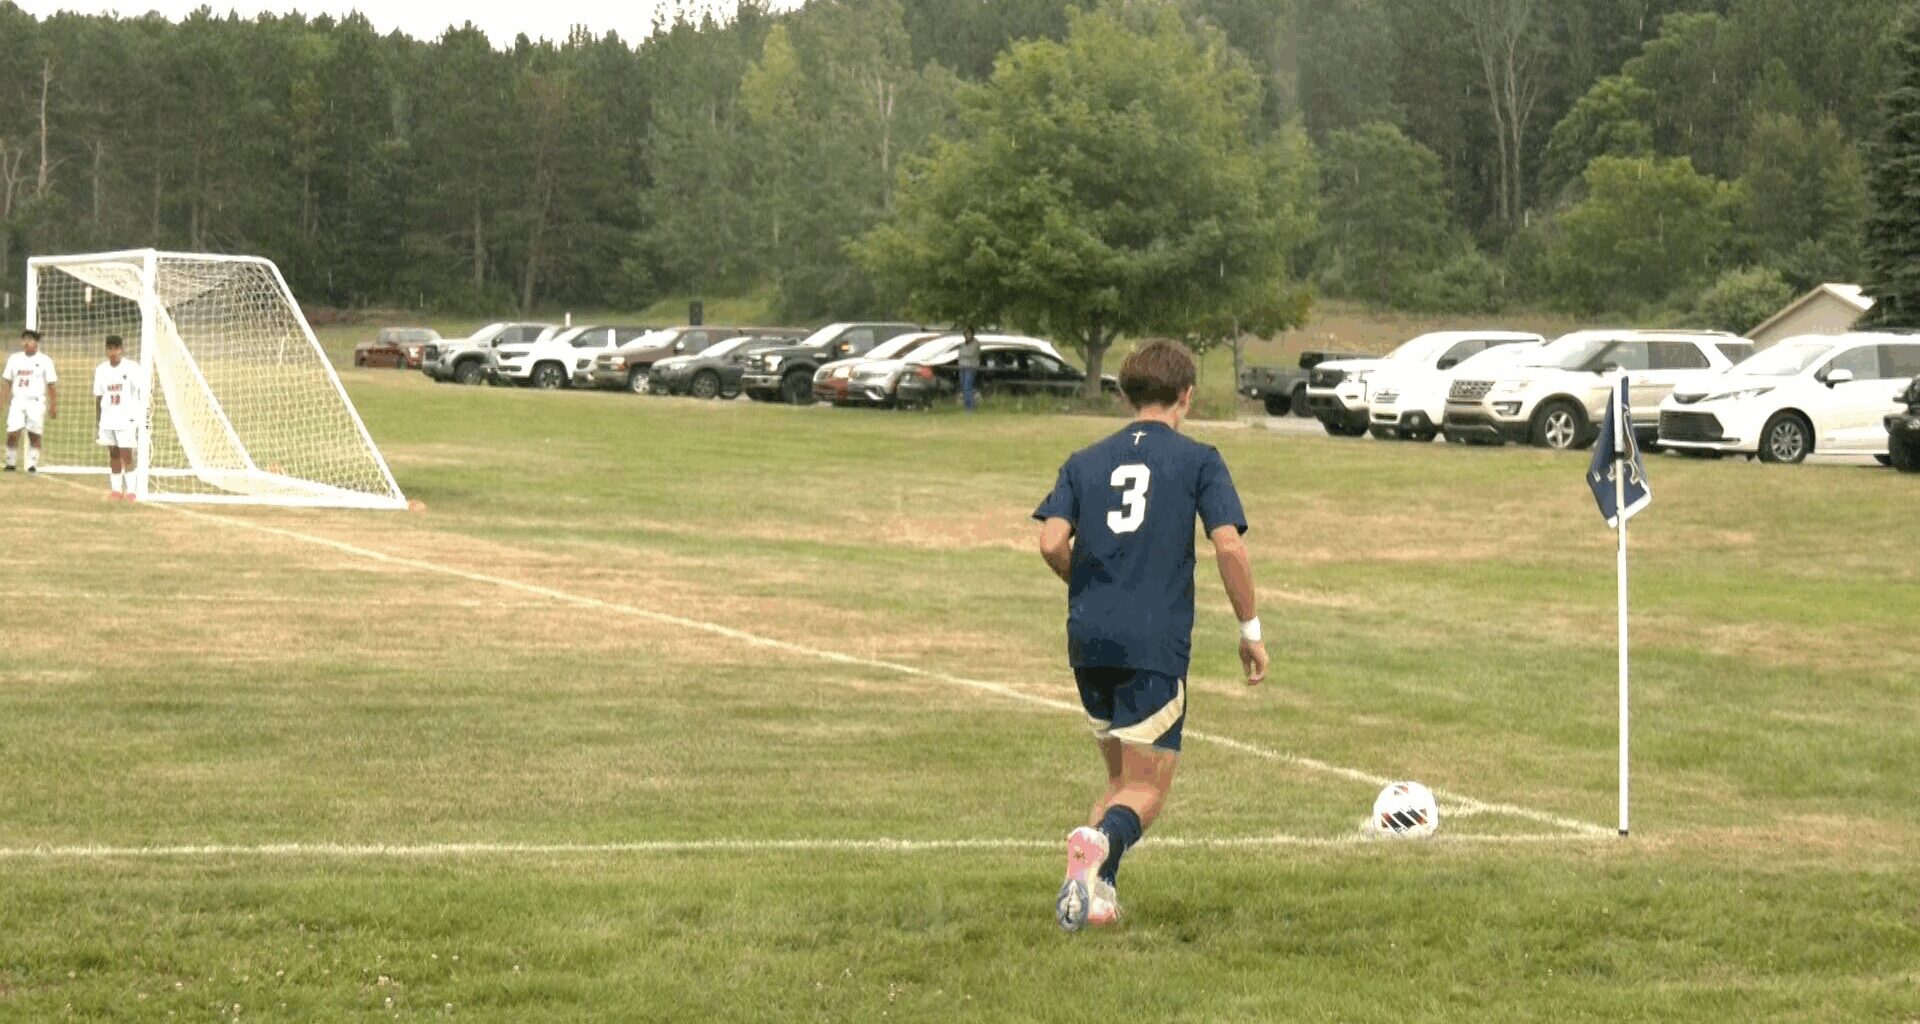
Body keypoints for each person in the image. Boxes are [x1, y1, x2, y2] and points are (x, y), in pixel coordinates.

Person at [1032, 338, 1268, 932]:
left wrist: (1089, 583)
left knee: (1119, 780)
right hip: (1152, 641)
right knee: (1148, 790)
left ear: (1125, 394)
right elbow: (1229, 546)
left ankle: (1097, 896)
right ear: (1187, 395)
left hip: (1088, 638)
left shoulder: (1083, 459)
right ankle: (1099, 844)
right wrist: (1250, 629)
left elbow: (1051, 541)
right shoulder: (1199, 460)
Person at [93, 335, 144, 500]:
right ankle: (116, 490)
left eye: (116, 348)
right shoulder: (101, 370)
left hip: (127, 418)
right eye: (110, 348)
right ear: (106, 350)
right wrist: (98, 420)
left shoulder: (131, 367)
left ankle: (131, 491)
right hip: (108, 418)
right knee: (113, 453)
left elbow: (143, 389)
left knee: (126, 453)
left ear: (122, 349)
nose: (113, 352)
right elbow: (99, 397)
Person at [3, 329, 59, 474]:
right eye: (24, 339)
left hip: (36, 402)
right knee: (12, 432)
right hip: (18, 401)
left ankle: (32, 464)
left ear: (36, 343)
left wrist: (53, 405)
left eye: (29, 339)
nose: (26, 342)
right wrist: (1, 401)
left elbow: (51, 385)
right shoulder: (14, 359)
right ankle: (10, 463)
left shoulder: (45, 361)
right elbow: (7, 382)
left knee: (34, 433)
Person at [957, 328, 981, 412]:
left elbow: (971, 354)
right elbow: (959, 354)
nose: (968, 335)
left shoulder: (976, 343)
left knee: (967, 386)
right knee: (963, 386)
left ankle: (970, 407)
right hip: (962, 366)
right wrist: (962, 355)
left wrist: (963, 354)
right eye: (966, 333)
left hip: (970, 367)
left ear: (972, 334)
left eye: (969, 333)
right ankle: (967, 405)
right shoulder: (963, 343)